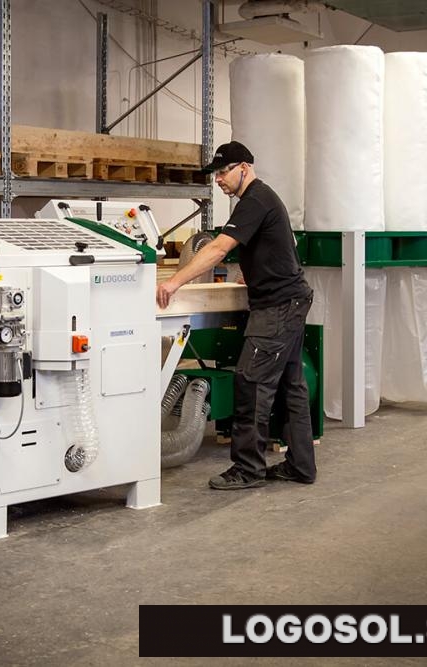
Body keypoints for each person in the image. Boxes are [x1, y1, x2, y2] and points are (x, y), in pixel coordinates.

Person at [156, 141, 316, 490]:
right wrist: (255, 273)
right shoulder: (262, 199)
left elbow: (218, 248)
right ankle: (301, 465)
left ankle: (248, 469)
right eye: (215, 174)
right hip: (289, 301)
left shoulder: (255, 200)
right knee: (291, 386)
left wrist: (174, 283)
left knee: (251, 382)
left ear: (244, 167)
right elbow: (282, 246)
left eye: (223, 172)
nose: (218, 180)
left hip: (277, 307)